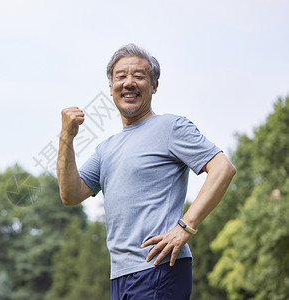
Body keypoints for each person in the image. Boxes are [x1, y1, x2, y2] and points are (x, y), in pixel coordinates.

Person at [56, 43, 236, 300]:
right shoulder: (106, 149)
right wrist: (66, 137)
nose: (129, 82)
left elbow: (222, 168)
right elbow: (70, 194)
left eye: (139, 76)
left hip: (158, 268)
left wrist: (186, 227)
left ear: (154, 86)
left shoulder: (171, 127)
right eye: (121, 76)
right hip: (121, 275)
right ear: (111, 89)